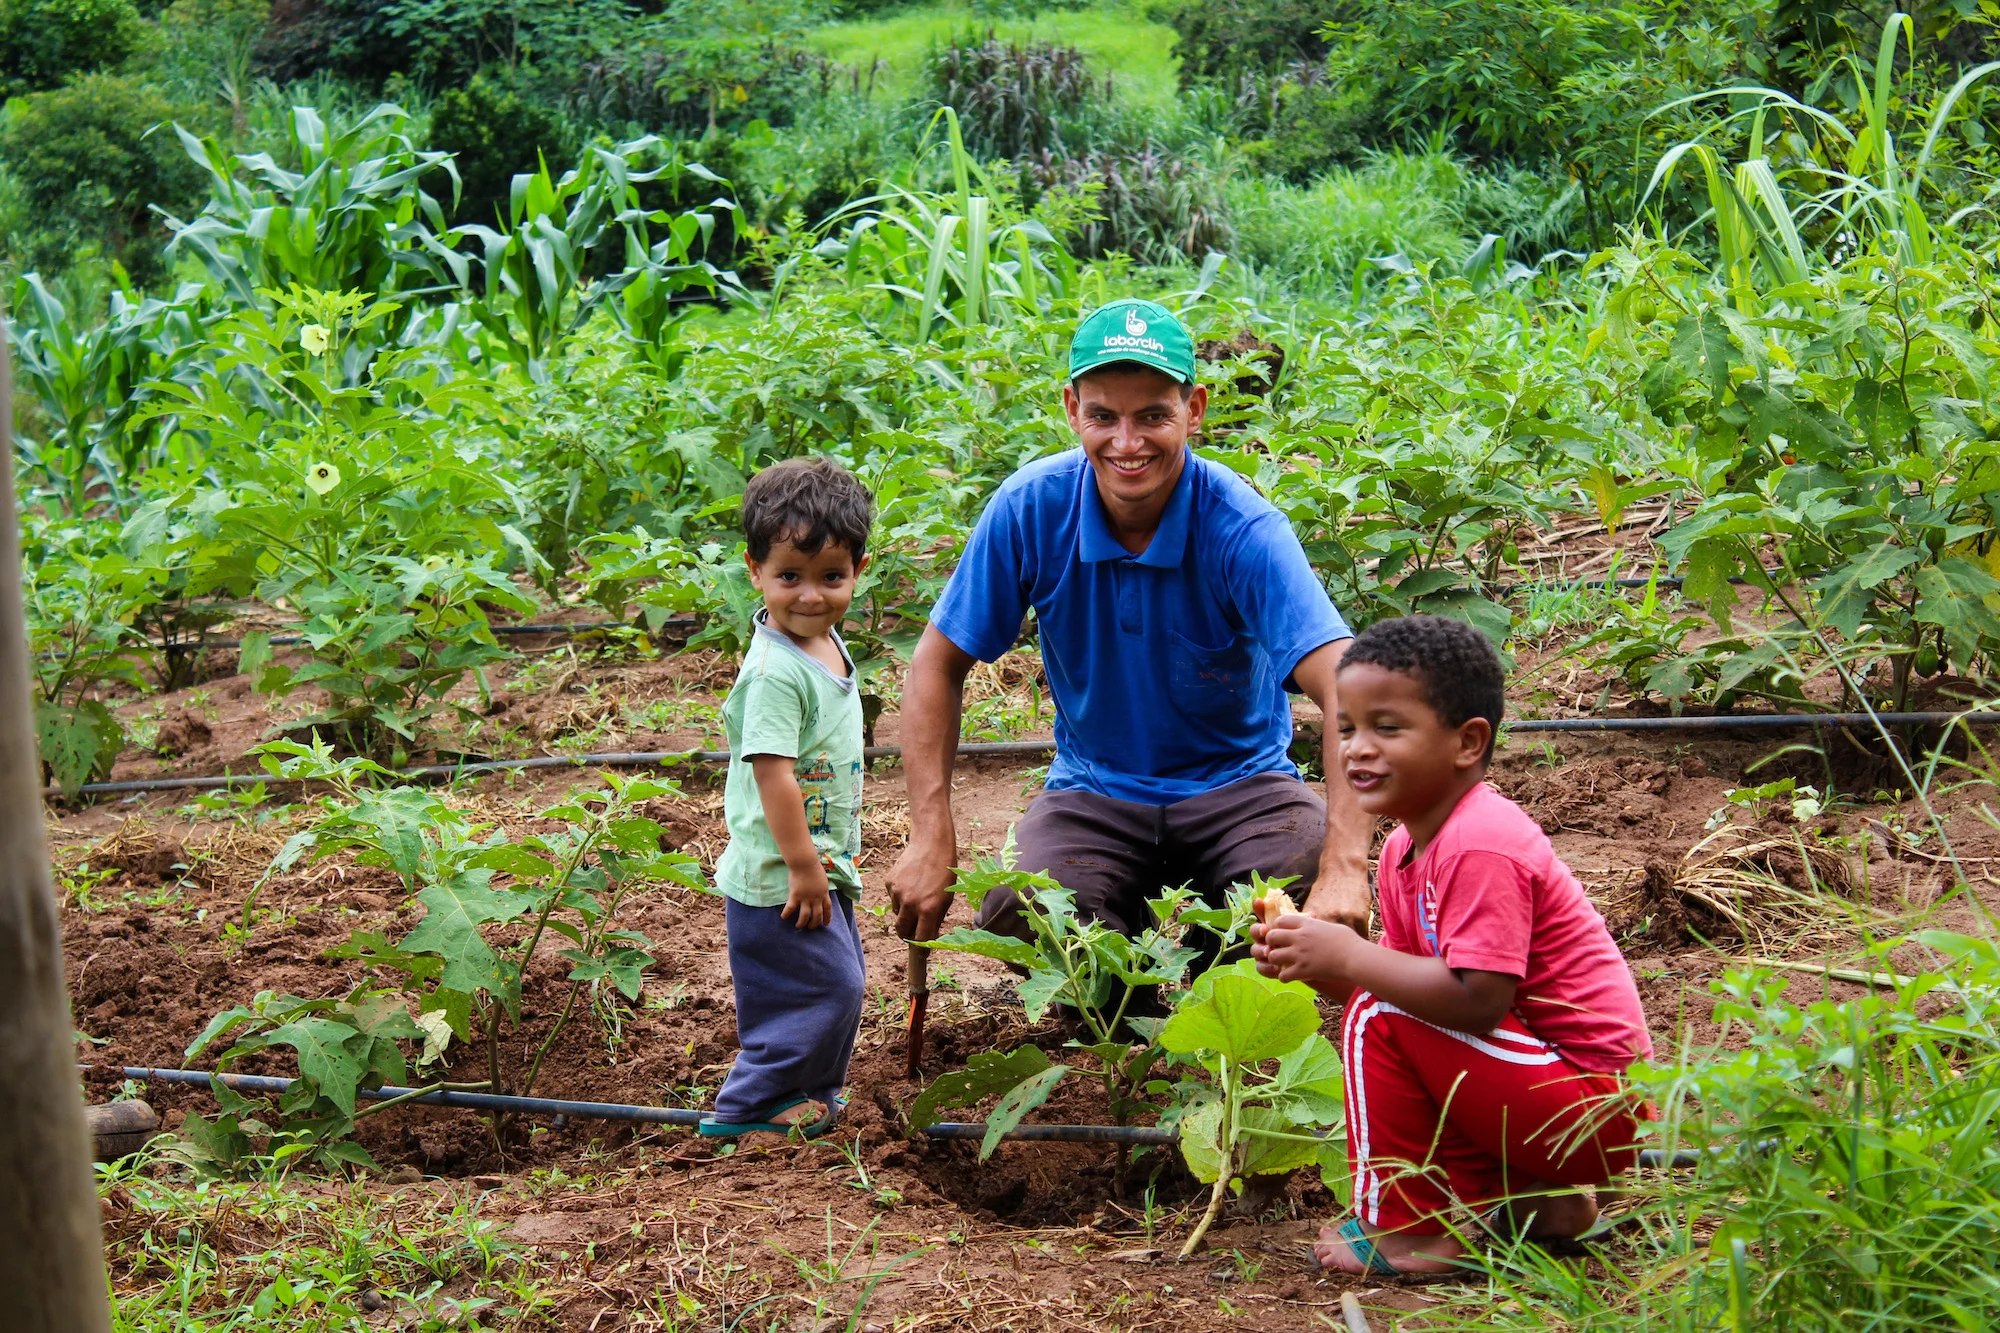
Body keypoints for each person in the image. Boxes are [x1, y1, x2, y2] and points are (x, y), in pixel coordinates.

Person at [888, 298, 1374, 960]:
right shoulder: (1032, 510)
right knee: (1023, 903)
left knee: (1297, 884)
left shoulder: (1244, 529)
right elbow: (935, 663)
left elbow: (1348, 685)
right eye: (1103, 416)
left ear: (1194, 409)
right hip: (1095, 789)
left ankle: (1219, 981)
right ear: (1071, 410)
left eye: (1152, 415)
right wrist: (929, 832)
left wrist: (1346, 863)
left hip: (1242, 789)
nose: (1126, 442)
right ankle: (1111, 992)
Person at [1251, 615, 1655, 1275]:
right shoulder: (1406, 848)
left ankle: (1412, 1228)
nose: (1356, 749)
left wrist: (1352, 957)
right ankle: (1538, 1203)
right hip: (1545, 1098)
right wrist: (1318, 963)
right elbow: (1411, 992)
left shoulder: (1482, 841)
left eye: (1388, 727)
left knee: (1378, 1015)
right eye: (1347, 727)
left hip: (1594, 1106)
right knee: (1382, 1011)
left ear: (1468, 742)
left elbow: (1477, 1001)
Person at [699, 457, 873, 1140]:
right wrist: (802, 864)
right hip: (781, 873)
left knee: (839, 979)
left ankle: (807, 1092)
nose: (810, 596)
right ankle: (747, 1106)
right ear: (754, 569)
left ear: (857, 568)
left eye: (831, 577)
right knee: (828, 988)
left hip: (815, 862)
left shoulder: (823, 644)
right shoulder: (774, 672)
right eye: (789, 577)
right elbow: (773, 772)